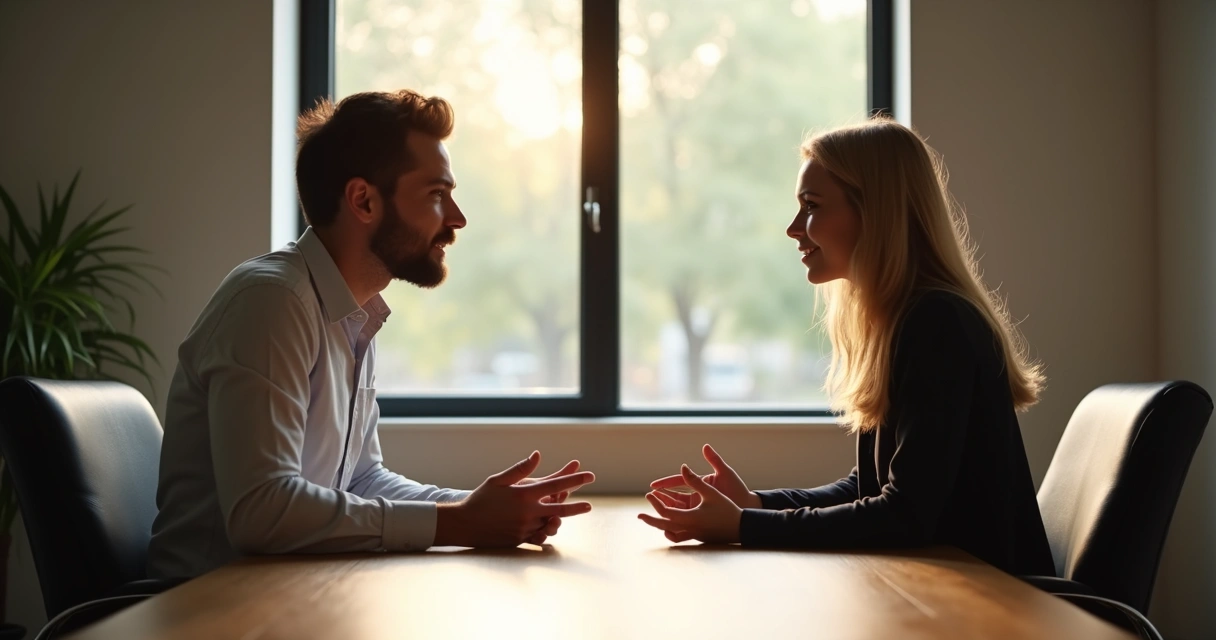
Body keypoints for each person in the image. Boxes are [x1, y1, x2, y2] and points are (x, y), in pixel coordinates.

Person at [148, 90, 594, 579]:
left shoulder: (354, 314)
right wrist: (460, 524)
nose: (457, 218)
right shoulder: (272, 302)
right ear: (363, 200)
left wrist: (477, 509)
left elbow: (361, 479)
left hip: (281, 596)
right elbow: (263, 511)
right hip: (205, 612)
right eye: (436, 195)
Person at [638, 118, 1054, 576]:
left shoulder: (938, 323)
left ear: (875, 214)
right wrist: (754, 505)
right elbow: (870, 489)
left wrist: (745, 525)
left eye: (811, 206)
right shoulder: (903, 321)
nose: (794, 228)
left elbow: (905, 516)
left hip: (991, 610)